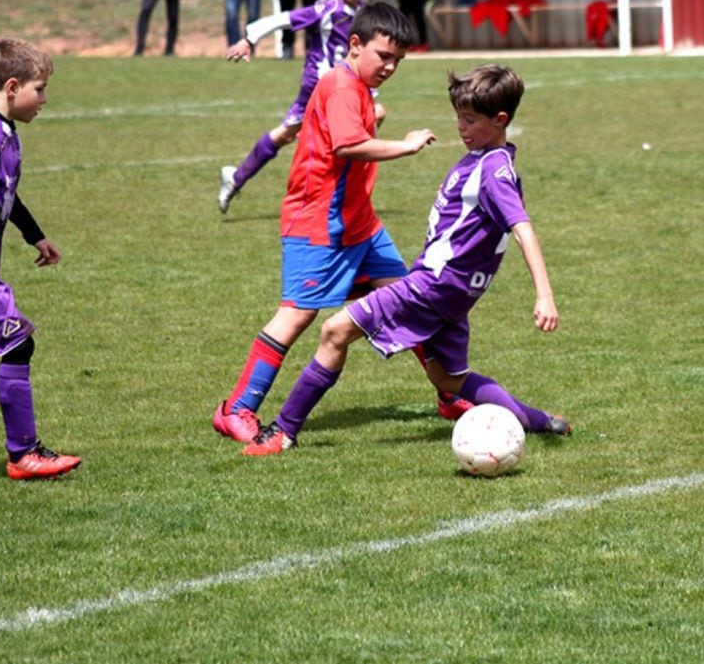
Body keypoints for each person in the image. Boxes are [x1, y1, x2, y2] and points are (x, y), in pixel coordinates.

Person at [241, 63, 571, 456]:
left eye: (469, 120)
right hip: (452, 292)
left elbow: (523, 229)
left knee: (335, 332)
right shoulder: (488, 159)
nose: (460, 128)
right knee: (447, 379)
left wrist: (544, 295)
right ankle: (537, 420)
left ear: (500, 120)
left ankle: (283, 431)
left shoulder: (493, 171)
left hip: (433, 286)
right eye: (458, 118)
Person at [212, 3, 472, 446]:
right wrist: (406, 147)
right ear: (355, 44)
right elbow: (350, 145)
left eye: (398, 61)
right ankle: (236, 409)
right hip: (318, 221)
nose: (390, 67)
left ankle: (447, 394)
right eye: (383, 56)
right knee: (297, 315)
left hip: (360, 224)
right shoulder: (338, 85)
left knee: (412, 299)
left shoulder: (356, 85)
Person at [0, 39, 81, 480]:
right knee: (19, 340)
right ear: (12, 87)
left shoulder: (4, 133)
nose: (45, 99)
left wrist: (35, 236)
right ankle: (24, 453)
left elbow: (5, 194)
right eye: (40, 88)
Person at [218, 0, 371, 214]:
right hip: (318, 87)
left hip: (342, 88)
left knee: (286, 134)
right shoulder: (325, 9)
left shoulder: (364, 15)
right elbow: (281, 19)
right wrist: (249, 39)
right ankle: (333, 195)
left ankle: (236, 178)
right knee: (365, 121)